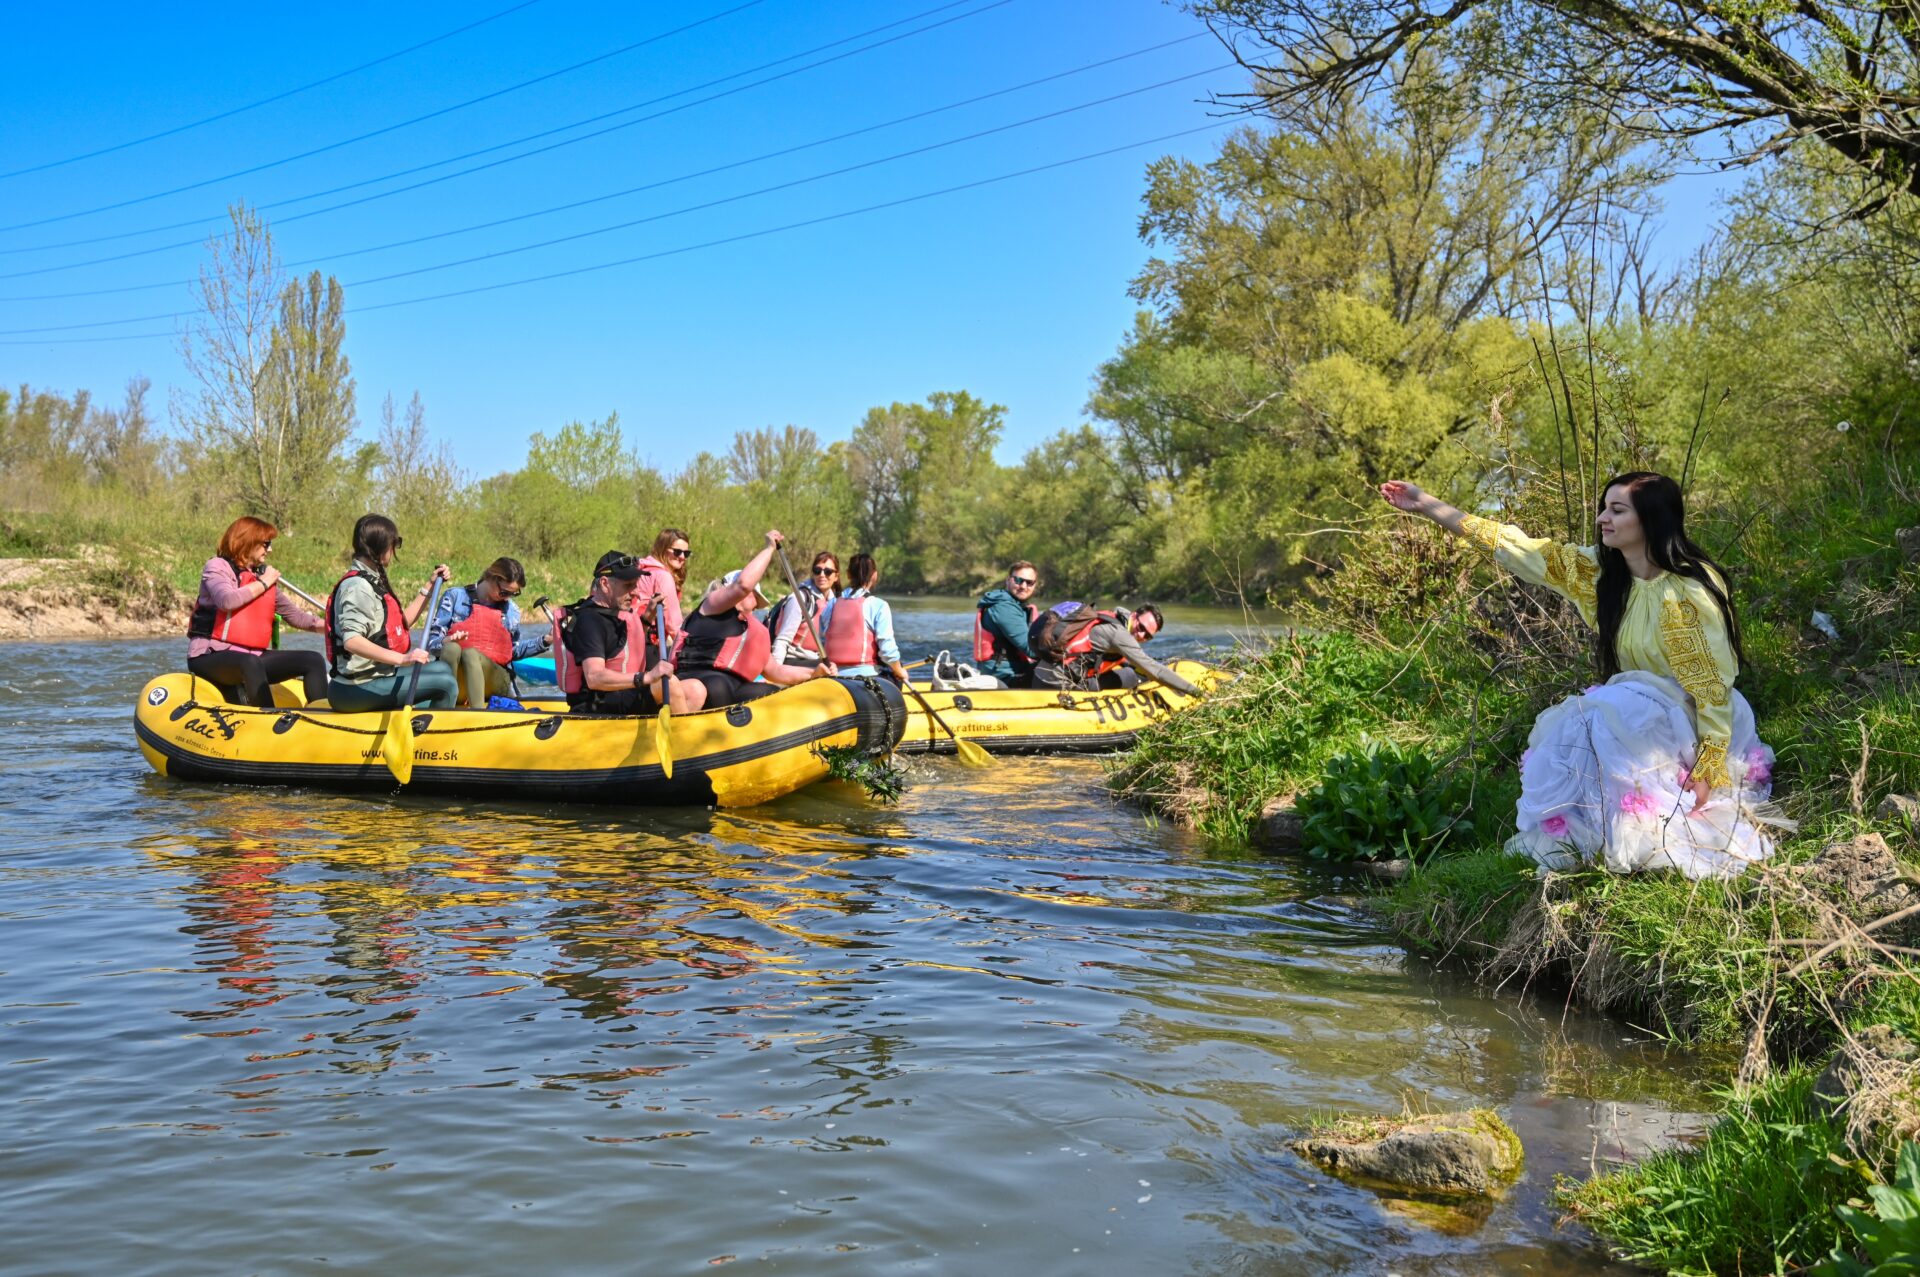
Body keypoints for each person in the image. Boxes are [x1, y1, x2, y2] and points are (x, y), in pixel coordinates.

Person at [1379, 473, 1784, 878]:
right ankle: (1592, 838)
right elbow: (1518, 548)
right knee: (1589, 717)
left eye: (1617, 510)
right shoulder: (1604, 576)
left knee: (1596, 713)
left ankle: (1644, 833)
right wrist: (1428, 505)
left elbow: (1710, 686)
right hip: (1636, 712)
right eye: (1604, 508)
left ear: (1650, 519)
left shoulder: (1688, 592)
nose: (1603, 519)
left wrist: (1709, 767)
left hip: (1697, 717)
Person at [675, 530, 835, 710]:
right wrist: (769, 549)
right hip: (698, 682)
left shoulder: (755, 630)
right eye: (753, 594)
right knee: (708, 689)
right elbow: (743, 585)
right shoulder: (712, 606)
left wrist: (815, 673)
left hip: (732, 688)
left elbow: (776, 671)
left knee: (768, 692)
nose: (755, 601)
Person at [186, 515, 329, 707]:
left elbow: (296, 617)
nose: (270, 549)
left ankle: (324, 718)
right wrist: (264, 582)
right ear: (248, 541)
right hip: (209, 655)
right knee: (249, 662)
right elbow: (226, 600)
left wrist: (332, 628)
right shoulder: (217, 567)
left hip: (251, 657)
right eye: (266, 543)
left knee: (312, 660)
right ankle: (268, 719)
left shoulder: (259, 577)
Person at [323, 514, 458, 712]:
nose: (394, 549)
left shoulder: (372, 579)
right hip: (354, 687)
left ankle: (420, 715)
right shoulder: (358, 587)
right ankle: (431, 736)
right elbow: (352, 641)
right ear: (380, 546)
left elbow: (403, 623)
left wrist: (430, 585)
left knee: (443, 669)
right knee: (446, 685)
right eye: (394, 543)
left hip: (378, 675)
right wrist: (403, 659)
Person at [554, 551, 674, 715]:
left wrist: (647, 618)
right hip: (598, 705)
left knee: (694, 688)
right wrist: (645, 677)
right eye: (628, 585)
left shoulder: (614, 613)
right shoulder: (589, 621)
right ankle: (684, 738)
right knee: (670, 685)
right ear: (604, 583)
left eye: (635, 585)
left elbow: (622, 647)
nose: (635, 592)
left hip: (620, 696)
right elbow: (594, 677)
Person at [425, 556, 551, 708]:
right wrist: (447, 640)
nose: (508, 598)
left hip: (495, 682)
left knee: (470, 654)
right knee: (452, 649)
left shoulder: (512, 611)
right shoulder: (454, 597)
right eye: (505, 592)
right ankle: (444, 707)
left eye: (514, 594)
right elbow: (431, 644)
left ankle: (479, 713)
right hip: (457, 680)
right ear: (492, 577)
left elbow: (512, 651)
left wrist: (545, 640)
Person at [1028, 603, 1201, 697]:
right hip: (1056, 684)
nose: (1140, 634)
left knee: (1128, 669)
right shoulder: (1119, 634)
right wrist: (1195, 692)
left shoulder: (1109, 618)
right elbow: (1154, 669)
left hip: (1042, 675)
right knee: (1129, 676)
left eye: (1147, 635)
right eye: (1141, 626)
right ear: (1133, 615)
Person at [818, 553, 910, 683]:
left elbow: (822, 637)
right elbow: (888, 652)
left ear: (848, 575)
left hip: (833, 675)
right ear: (874, 576)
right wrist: (900, 671)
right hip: (866, 677)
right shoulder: (878, 605)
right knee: (894, 674)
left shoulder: (832, 604)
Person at [973, 560, 1042, 685]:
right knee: (1063, 671)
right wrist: (1065, 654)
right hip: (1004, 676)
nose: (1024, 586)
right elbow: (1031, 649)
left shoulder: (1018, 606)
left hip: (1017, 668)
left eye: (1030, 582)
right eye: (1019, 580)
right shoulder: (1003, 607)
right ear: (1008, 580)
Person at [770, 551, 837, 671]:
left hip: (815, 659)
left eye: (828, 572)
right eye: (817, 570)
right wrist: (776, 671)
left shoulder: (834, 603)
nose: (822, 575)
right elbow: (782, 640)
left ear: (836, 576)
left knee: (833, 667)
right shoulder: (799, 599)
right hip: (791, 659)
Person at [637, 526, 690, 649]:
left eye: (686, 553)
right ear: (663, 549)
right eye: (677, 552)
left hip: (630, 636)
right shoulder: (663, 576)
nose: (682, 557)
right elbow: (673, 623)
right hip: (648, 641)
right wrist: (689, 647)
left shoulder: (641, 569)